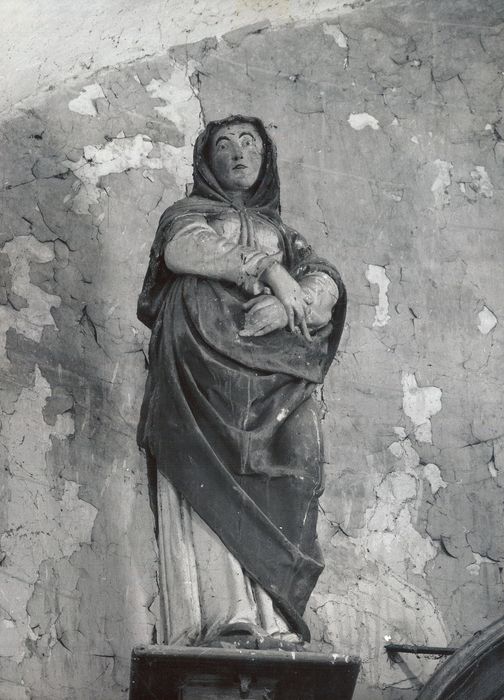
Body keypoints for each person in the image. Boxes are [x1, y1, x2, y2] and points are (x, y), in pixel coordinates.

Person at [137, 115, 346, 650]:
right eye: (225, 145)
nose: (237, 153)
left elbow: (325, 284)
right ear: (207, 162)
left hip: (277, 377)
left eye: (249, 143)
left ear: (265, 158)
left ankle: (274, 616)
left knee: (297, 464)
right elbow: (186, 249)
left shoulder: (286, 235)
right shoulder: (187, 215)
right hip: (200, 367)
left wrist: (291, 304)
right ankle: (224, 615)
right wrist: (269, 273)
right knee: (204, 471)